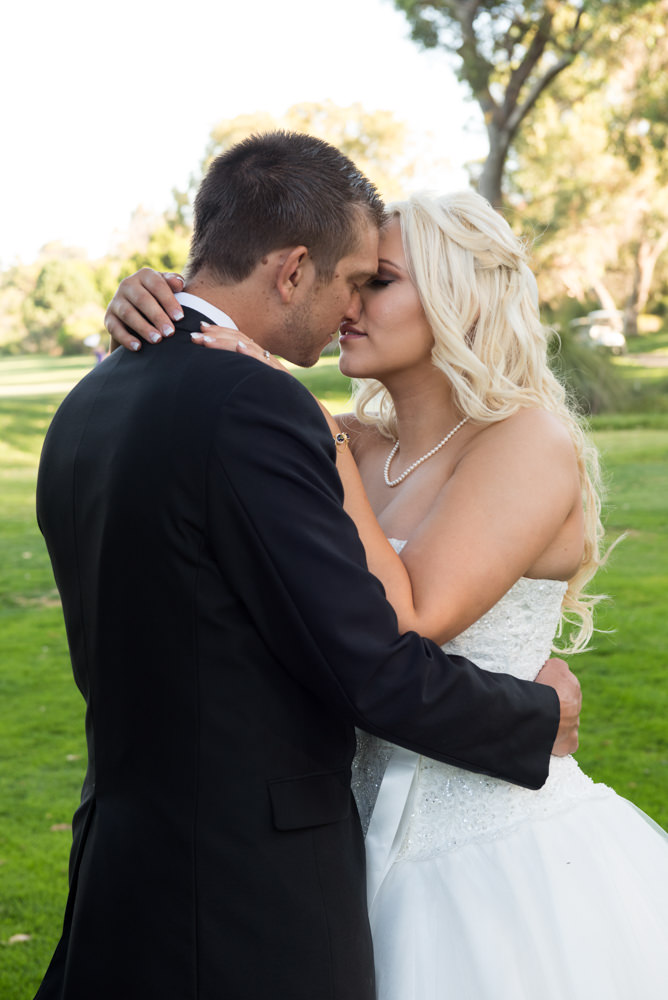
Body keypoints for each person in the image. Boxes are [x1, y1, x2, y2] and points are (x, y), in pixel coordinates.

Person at [34, 134, 581, 1000]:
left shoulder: (97, 392)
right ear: (293, 271)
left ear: (456, 300)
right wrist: (535, 713)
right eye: (353, 279)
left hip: (396, 851)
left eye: (379, 281)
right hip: (247, 884)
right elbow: (373, 660)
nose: (353, 303)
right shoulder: (284, 419)